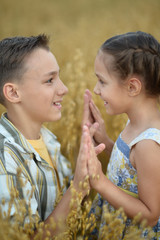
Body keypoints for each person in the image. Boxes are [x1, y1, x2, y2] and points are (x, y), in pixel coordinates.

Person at [0, 34, 105, 239]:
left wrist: (88, 152)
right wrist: (77, 187)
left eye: (59, 77)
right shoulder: (5, 162)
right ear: (13, 93)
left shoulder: (48, 141)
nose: (64, 89)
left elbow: (74, 213)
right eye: (50, 80)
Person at [83, 31, 160, 239]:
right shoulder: (136, 123)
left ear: (132, 87)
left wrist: (99, 181)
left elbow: (151, 215)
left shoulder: (148, 145)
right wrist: (106, 142)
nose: (96, 90)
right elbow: (130, 171)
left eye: (102, 81)